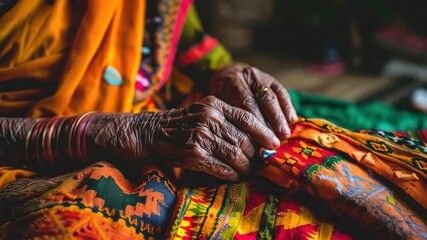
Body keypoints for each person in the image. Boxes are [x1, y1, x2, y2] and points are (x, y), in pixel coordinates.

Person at [1, 1, 426, 239]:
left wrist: (229, 72)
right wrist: (115, 131)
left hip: (162, 117)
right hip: (29, 151)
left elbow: (190, 43)